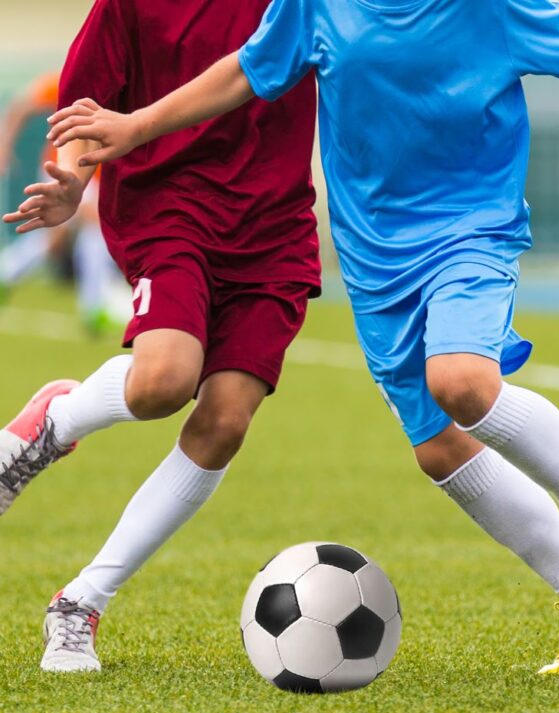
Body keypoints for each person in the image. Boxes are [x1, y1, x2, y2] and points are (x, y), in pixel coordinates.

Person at [47, 0, 559, 675]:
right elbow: (242, 74)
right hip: (375, 258)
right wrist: (135, 128)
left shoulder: (491, 8)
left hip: (471, 232)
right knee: (438, 445)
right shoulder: (314, 8)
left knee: (463, 384)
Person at [0, 0, 320, 673]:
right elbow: (85, 106)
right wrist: (72, 182)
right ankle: (55, 425)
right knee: (163, 382)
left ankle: (80, 604)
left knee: (226, 420)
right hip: (166, 205)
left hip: (275, 227)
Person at [0, 72, 125, 333]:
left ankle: (7, 272)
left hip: (94, 175)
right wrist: (4, 145)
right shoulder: (71, 77)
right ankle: (94, 305)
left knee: (56, 240)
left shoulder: (127, 83)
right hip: (64, 169)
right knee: (95, 226)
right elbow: (21, 106)